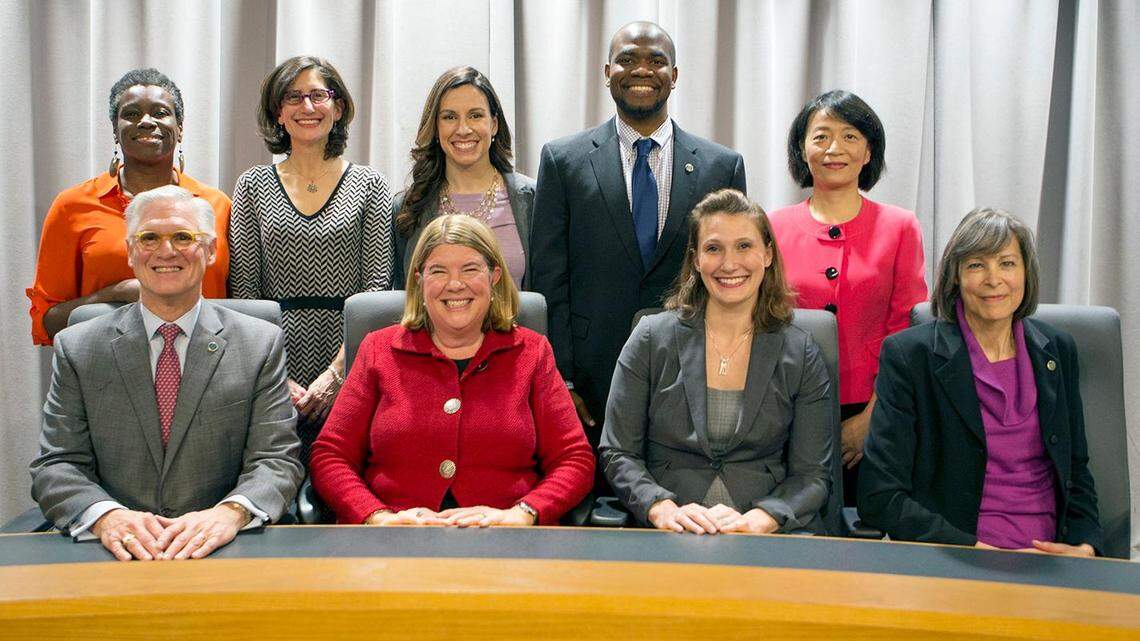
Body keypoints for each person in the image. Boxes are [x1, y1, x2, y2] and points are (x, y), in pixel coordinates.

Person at [29, 186, 303, 561]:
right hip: (114, 551)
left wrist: (230, 513)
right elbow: (57, 464)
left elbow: (277, 460)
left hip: (225, 547)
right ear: (129, 251)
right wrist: (107, 517)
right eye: (149, 237)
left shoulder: (259, 343)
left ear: (209, 251)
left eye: (183, 237)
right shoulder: (79, 347)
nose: (166, 251)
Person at [530, 22, 747, 490]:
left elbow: (733, 281)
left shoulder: (720, 165)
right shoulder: (562, 160)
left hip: (691, 373)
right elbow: (550, 280)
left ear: (676, 73)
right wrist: (562, 381)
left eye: (656, 60)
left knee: (682, 509)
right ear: (607, 72)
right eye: (628, 59)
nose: (641, 70)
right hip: (590, 379)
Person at [310, 214, 594, 526]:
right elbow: (330, 456)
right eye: (438, 271)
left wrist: (523, 513)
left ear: (494, 276)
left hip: (507, 543)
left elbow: (574, 459)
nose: (455, 284)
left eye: (470, 269)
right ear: (419, 280)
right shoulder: (378, 350)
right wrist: (376, 517)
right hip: (394, 542)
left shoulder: (532, 352)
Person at [858, 208, 1101, 556]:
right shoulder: (910, 356)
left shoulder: (1057, 350)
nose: (993, 279)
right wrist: (974, 550)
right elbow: (879, 495)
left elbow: (1076, 472)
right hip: (958, 557)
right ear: (955, 276)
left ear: (1025, 273)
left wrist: (1086, 548)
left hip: (1054, 556)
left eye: (1007, 263)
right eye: (976, 265)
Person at [600, 189, 833, 534]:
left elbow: (813, 475)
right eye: (713, 248)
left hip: (764, 534)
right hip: (671, 529)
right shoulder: (651, 338)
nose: (729, 264)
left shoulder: (801, 351)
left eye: (744, 246)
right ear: (696, 259)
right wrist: (659, 507)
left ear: (767, 254)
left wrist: (763, 518)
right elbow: (618, 451)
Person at [228, 55, 394, 465]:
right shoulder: (251, 186)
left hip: (353, 357)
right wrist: (277, 378)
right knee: (277, 480)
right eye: (293, 97)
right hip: (272, 361)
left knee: (344, 481)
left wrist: (337, 373)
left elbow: (377, 291)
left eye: (318, 95)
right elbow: (245, 297)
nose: (307, 107)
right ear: (278, 113)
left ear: (337, 109)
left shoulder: (370, 185)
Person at [768, 90, 927, 505]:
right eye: (820, 136)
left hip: (873, 409)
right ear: (802, 150)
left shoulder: (900, 227)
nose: (834, 148)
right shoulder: (771, 227)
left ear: (868, 150)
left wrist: (871, 418)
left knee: (862, 535)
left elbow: (906, 333)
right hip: (785, 408)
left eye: (850, 136)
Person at [27, 68, 231, 345]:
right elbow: (47, 323)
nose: (146, 122)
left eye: (160, 113)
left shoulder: (216, 206)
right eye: (132, 114)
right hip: (105, 370)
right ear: (115, 131)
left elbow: (240, 311)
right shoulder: (72, 207)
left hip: (206, 369)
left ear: (180, 129)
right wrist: (114, 295)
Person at [393, 66, 534, 289]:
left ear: (494, 124)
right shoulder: (407, 207)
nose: (463, 129)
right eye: (450, 117)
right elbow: (404, 297)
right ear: (436, 128)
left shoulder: (533, 199)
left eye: (475, 115)